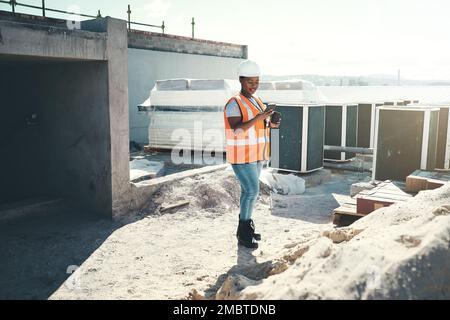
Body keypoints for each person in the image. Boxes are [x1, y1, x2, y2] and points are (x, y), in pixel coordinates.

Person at [223, 60, 281, 249]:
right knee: (252, 191)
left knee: (247, 192)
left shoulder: (256, 101)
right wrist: (260, 117)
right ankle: (244, 232)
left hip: (256, 155)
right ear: (241, 81)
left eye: (256, 82)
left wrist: (272, 123)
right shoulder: (234, 103)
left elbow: (261, 126)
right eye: (250, 82)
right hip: (241, 156)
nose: (254, 85)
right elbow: (237, 130)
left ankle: (245, 229)